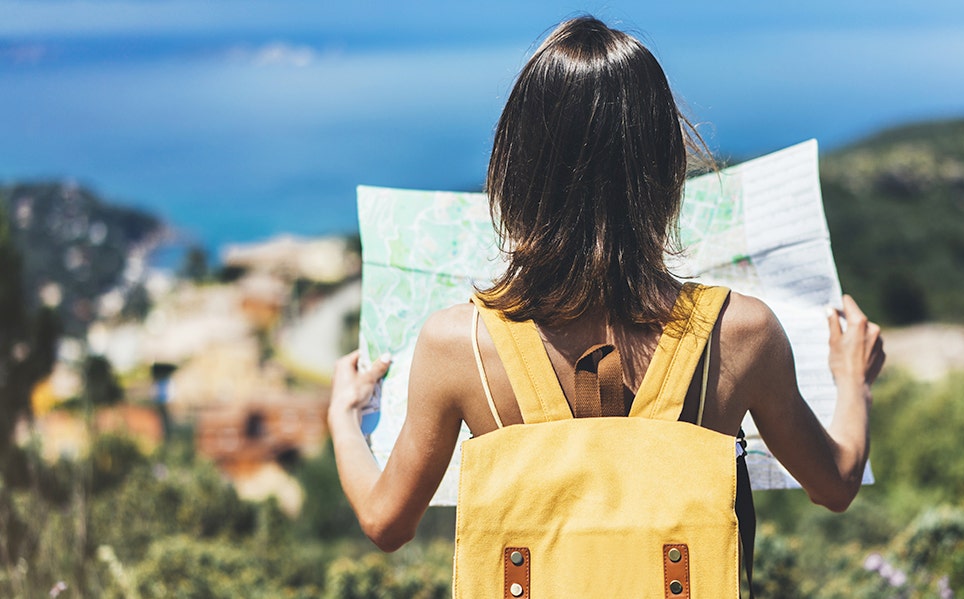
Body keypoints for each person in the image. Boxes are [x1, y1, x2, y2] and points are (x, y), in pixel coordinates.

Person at [327, 15, 884, 554]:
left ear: (514, 169)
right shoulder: (742, 333)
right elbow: (834, 485)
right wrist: (851, 381)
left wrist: (344, 418)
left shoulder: (457, 345)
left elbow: (386, 523)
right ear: (668, 167)